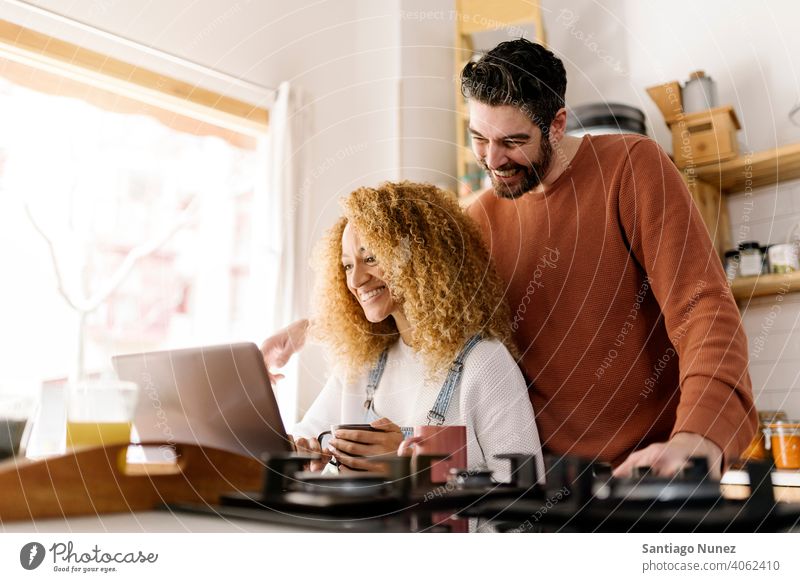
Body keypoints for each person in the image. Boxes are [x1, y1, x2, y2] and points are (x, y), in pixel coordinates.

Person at [264, 39, 756, 479]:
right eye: (479, 138)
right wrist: (310, 328)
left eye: (513, 142)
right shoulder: (477, 218)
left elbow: (704, 310)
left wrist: (698, 438)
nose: (493, 159)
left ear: (557, 124)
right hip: (542, 481)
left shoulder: (632, 168)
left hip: (651, 466)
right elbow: (405, 286)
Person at [288, 181, 543, 482]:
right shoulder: (361, 363)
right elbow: (307, 437)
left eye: (370, 258)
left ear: (419, 258)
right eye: (346, 266)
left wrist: (414, 470)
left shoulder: (484, 363)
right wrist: (305, 453)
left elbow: (525, 500)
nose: (355, 279)